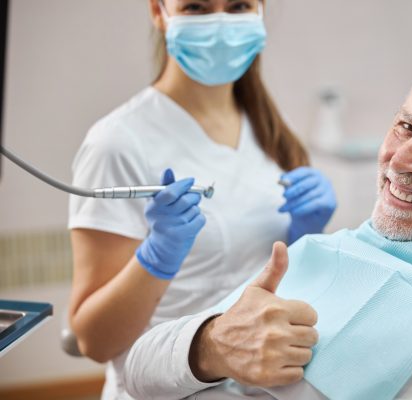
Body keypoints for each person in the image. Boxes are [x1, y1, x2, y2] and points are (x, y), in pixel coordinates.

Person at [123, 37, 412, 399]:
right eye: (406, 127)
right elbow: (138, 372)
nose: (401, 160)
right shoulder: (321, 250)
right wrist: (212, 345)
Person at [67, 1, 336, 399]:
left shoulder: (271, 132)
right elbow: (94, 340)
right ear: (159, 13)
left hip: (263, 385)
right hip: (163, 386)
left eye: (238, 6)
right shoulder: (116, 143)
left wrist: (306, 238)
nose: (220, 24)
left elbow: (278, 279)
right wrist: (156, 259)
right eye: (196, 7)